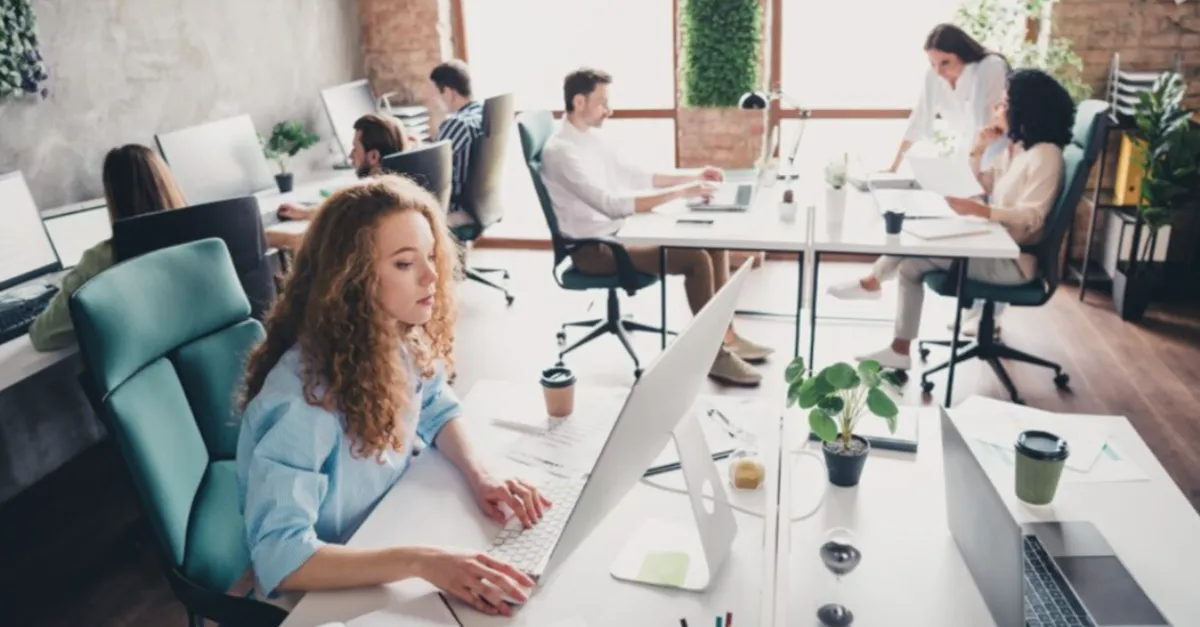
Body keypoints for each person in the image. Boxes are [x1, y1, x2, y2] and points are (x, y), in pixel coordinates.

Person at [235, 175, 549, 616]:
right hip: (331, 583)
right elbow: (281, 557)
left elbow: (434, 405)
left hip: (389, 524)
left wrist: (482, 475)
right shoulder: (301, 401)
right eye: (404, 264)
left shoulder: (394, 338)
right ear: (352, 279)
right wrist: (423, 562)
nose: (431, 275)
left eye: (429, 255)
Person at [826, 68, 1075, 371]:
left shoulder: (1046, 156)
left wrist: (982, 211)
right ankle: (899, 349)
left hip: (1013, 262)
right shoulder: (1018, 149)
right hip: (993, 243)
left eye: (1005, 103)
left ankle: (872, 282)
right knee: (910, 265)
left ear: (1027, 108)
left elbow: (1033, 218)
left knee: (915, 248)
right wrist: (978, 149)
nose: (998, 108)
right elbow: (980, 186)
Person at [539, 67, 773, 387]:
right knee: (695, 258)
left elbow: (638, 176)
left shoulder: (591, 139)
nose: (610, 110)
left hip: (618, 233)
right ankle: (713, 355)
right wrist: (681, 193)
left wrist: (693, 176)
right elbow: (610, 203)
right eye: (602, 102)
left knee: (714, 243)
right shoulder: (561, 152)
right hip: (594, 250)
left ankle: (725, 334)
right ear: (579, 102)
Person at [890, 23, 1013, 337]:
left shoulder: (989, 66)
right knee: (970, 230)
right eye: (933, 63)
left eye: (946, 62)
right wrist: (893, 165)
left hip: (996, 153)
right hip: (970, 154)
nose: (939, 70)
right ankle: (973, 310)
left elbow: (982, 122)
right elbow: (920, 117)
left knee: (990, 232)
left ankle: (991, 316)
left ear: (963, 53)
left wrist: (971, 172)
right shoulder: (935, 76)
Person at [28, 144, 188, 351]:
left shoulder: (102, 259)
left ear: (113, 198)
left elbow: (44, 335)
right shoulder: (207, 236)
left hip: (149, 374)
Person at [274, 113, 415, 224]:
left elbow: (345, 217)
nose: (350, 156)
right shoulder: (401, 192)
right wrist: (306, 212)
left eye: (355, 149)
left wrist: (273, 238)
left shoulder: (370, 200)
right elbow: (343, 213)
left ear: (373, 156)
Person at [429, 59, 483, 229]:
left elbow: (433, 171)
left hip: (455, 209)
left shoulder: (458, 124)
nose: (436, 101)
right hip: (477, 205)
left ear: (448, 92)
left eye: (437, 94)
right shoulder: (481, 114)